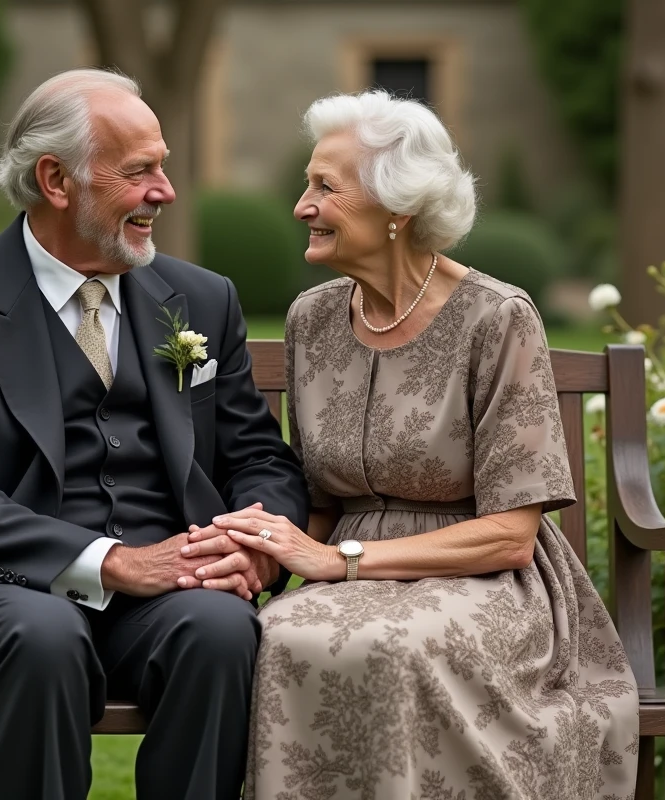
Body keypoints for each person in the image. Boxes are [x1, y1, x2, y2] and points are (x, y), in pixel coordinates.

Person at [0, 68, 308, 800]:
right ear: (56, 180)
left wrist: (251, 550)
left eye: (162, 166)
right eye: (140, 172)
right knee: (41, 636)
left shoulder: (201, 297)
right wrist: (111, 562)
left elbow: (260, 456)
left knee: (221, 629)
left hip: (166, 595)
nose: (165, 191)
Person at [193, 90, 639, 798]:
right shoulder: (313, 318)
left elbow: (512, 537)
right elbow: (318, 500)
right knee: (278, 636)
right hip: (349, 575)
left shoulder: (497, 317)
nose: (301, 207)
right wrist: (258, 549)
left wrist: (337, 561)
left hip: (486, 579)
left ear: (396, 208)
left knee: (393, 647)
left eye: (324, 188)